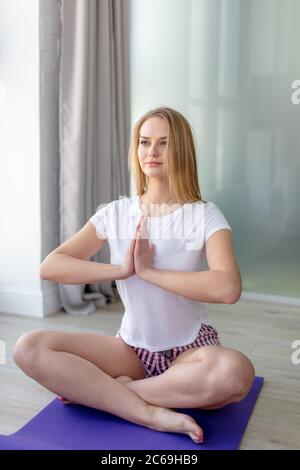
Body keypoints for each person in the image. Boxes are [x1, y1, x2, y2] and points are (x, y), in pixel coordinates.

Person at [13, 107, 255, 444]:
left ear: (180, 150)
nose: (151, 152)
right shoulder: (115, 213)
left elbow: (228, 287)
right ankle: (149, 412)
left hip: (190, 350)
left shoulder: (204, 215)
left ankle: (114, 393)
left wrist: (150, 272)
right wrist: (122, 270)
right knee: (29, 347)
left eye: (163, 143)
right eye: (144, 142)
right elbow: (51, 265)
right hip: (130, 349)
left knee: (235, 373)